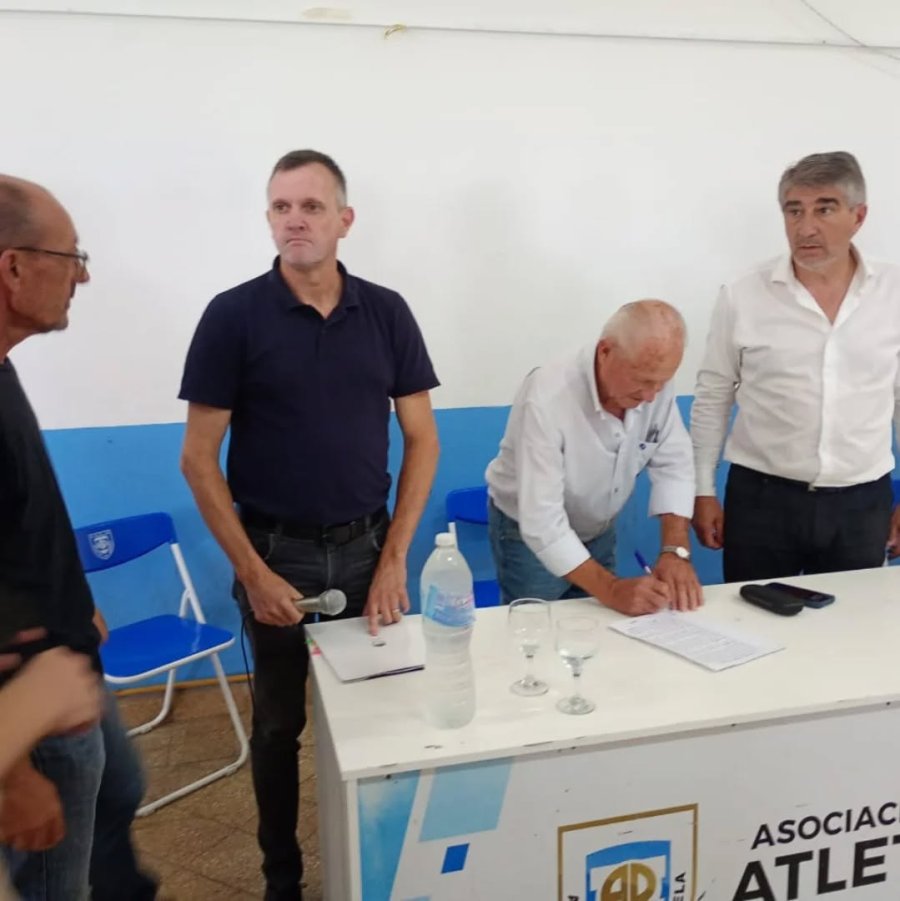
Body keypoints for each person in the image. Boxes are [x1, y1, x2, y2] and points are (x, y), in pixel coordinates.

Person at [179, 149, 440, 901]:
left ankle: (381, 862)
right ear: (269, 218)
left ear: (344, 220)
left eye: (312, 206)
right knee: (276, 727)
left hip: (368, 553)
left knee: (381, 714)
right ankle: (283, 877)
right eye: (281, 206)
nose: (295, 219)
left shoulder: (386, 311)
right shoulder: (232, 316)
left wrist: (395, 559)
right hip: (276, 556)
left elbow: (423, 437)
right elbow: (199, 460)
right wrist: (254, 574)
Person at [0, 175, 157, 900]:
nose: (83, 274)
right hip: (29, 704)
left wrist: (77, 597)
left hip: (67, 656)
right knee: (56, 879)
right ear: (13, 266)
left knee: (120, 790)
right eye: (72, 255)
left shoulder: (3, 366)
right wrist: (13, 772)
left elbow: (22, 513)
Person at [691, 151, 900, 582]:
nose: (806, 228)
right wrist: (703, 490)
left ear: (858, 216)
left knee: (852, 634)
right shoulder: (743, 294)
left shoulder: (893, 293)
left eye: (825, 209)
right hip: (763, 500)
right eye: (794, 211)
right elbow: (713, 393)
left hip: (862, 502)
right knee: (754, 629)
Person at [486, 300, 702, 613]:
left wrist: (674, 550)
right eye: (642, 380)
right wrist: (612, 590)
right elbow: (543, 522)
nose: (651, 396)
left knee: (595, 628)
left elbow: (675, 464)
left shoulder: (653, 381)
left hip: (598, 529)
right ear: (605, 352)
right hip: (528, 537)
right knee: (540, 632)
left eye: (662, 382)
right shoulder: (547, 395)